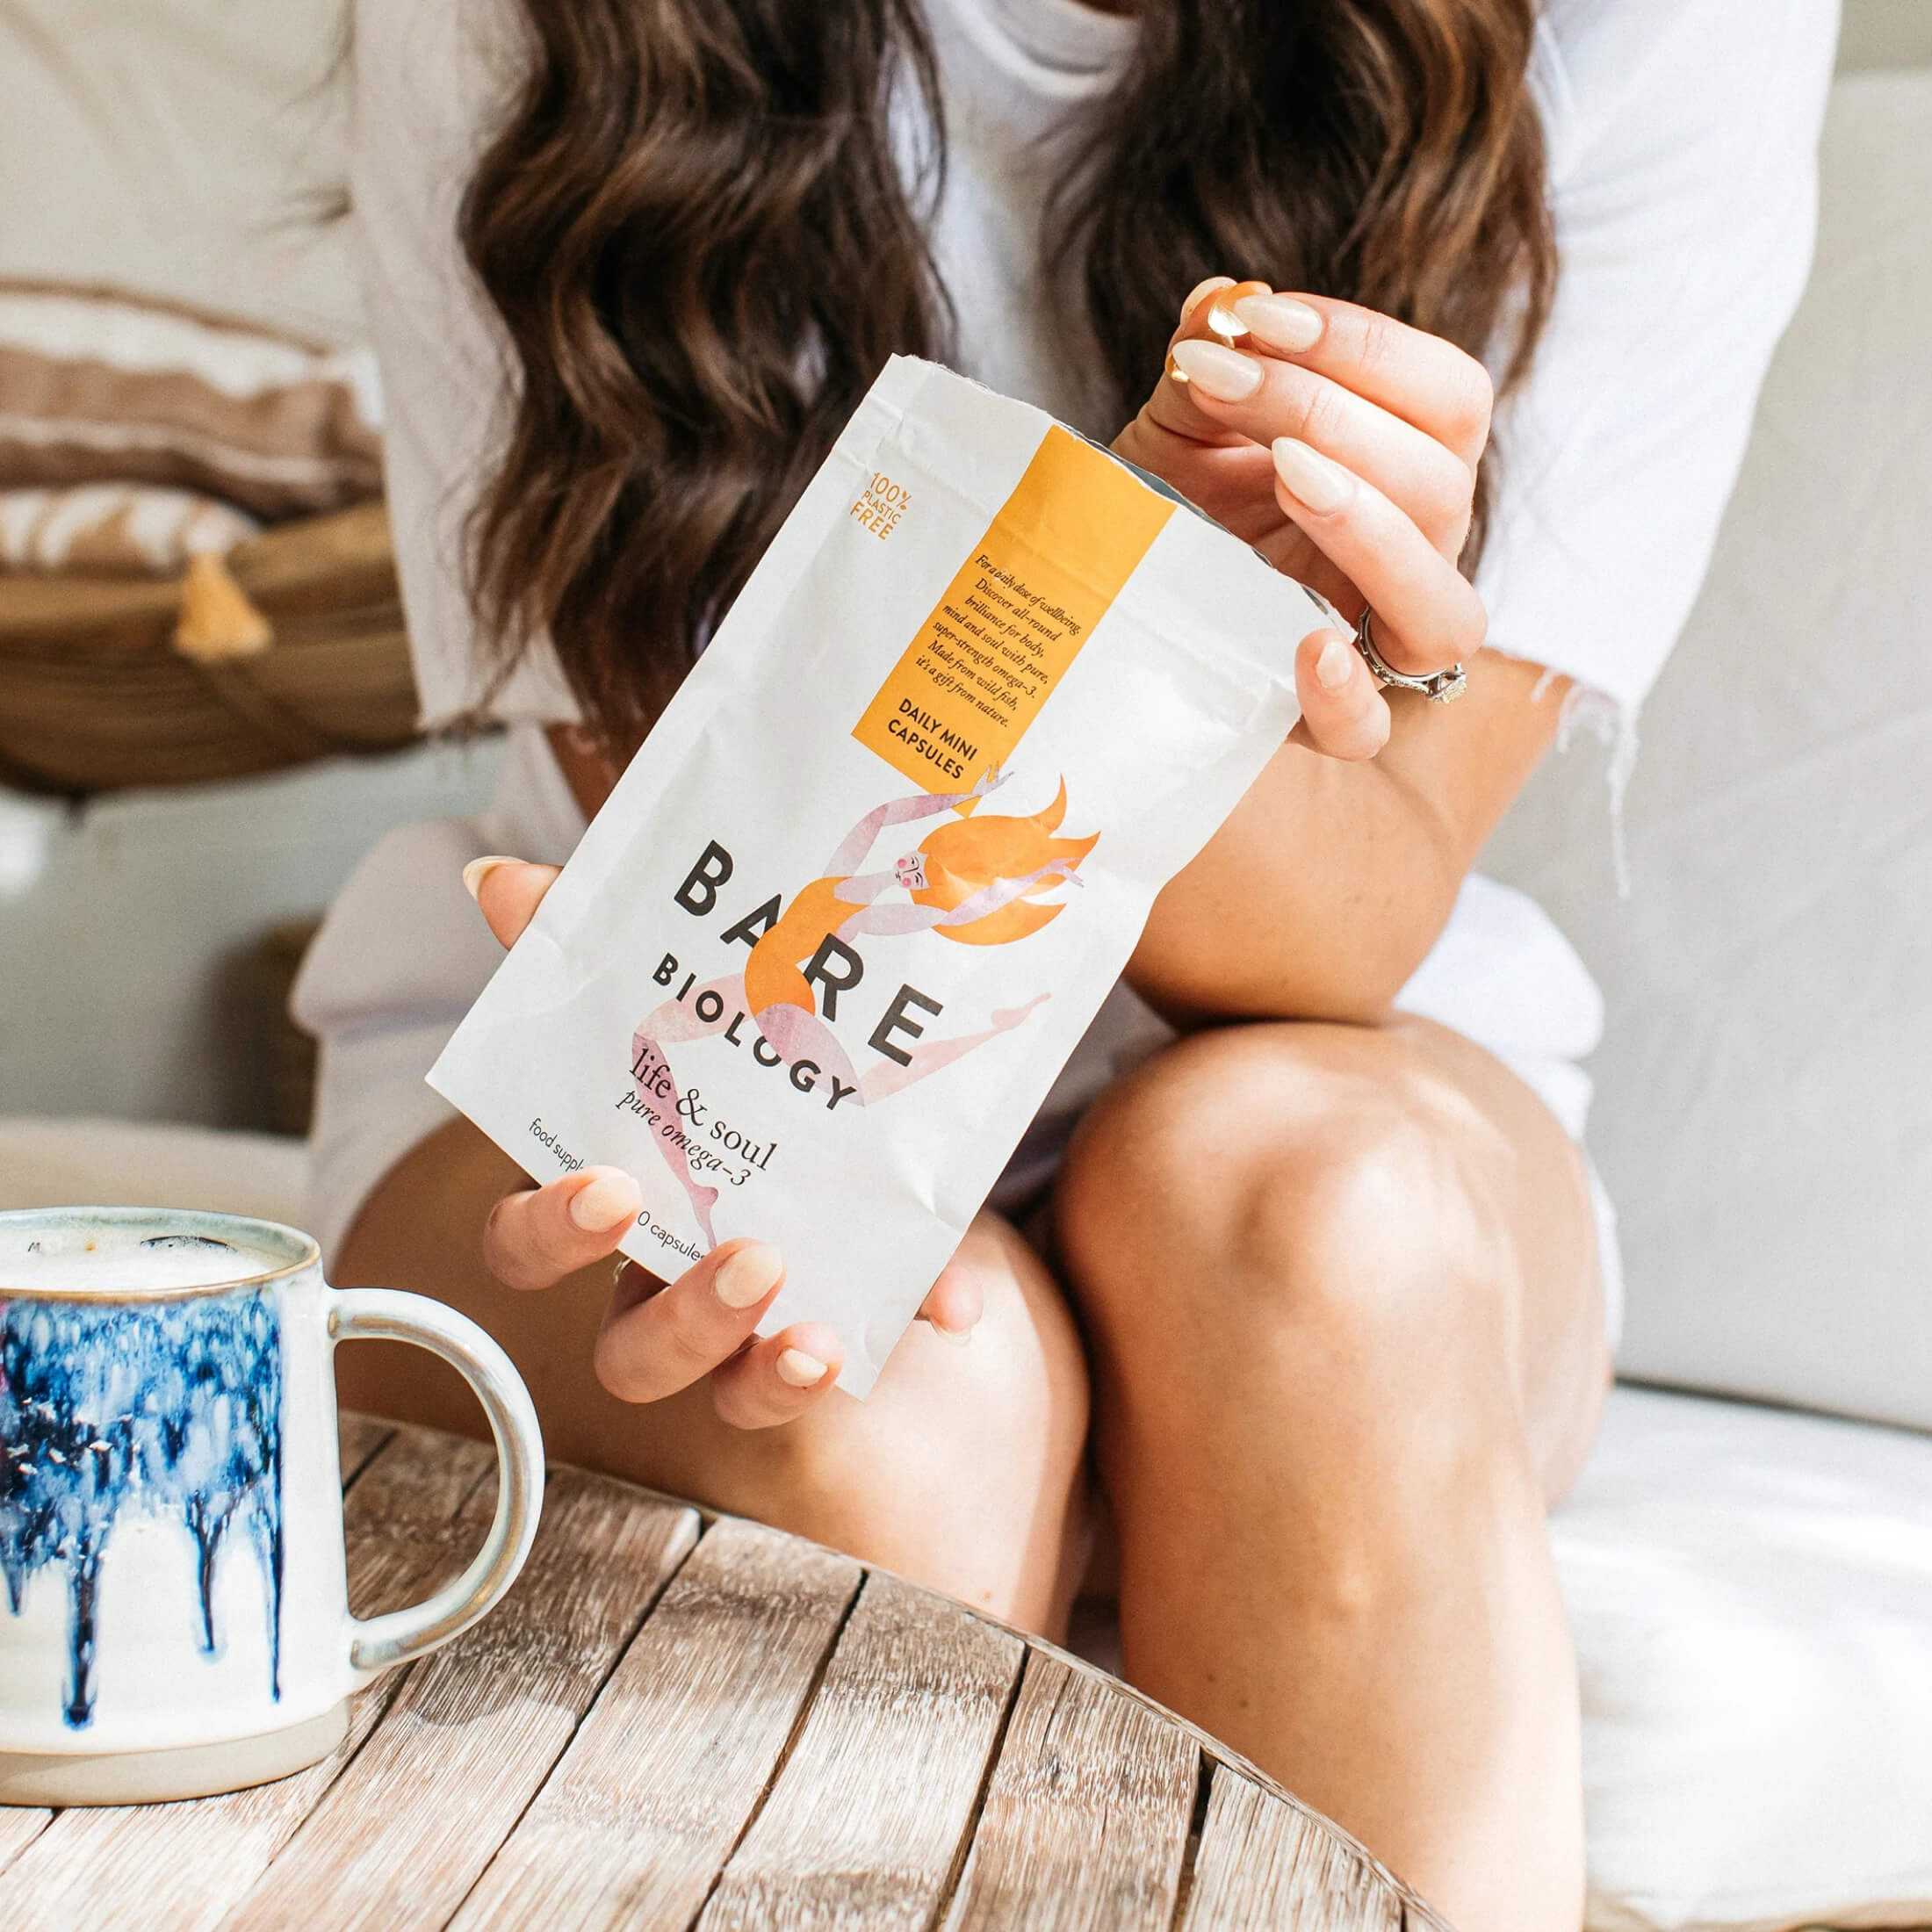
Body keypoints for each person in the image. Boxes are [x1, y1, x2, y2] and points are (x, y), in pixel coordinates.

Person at [298, 1, 1835, 1921]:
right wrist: (1112, 612)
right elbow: (729, 877)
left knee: (1327, 1219)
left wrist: (1114, 620)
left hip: (1311, 1029)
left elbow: (1353, 912)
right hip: (689, 1011)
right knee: (894, 1393)